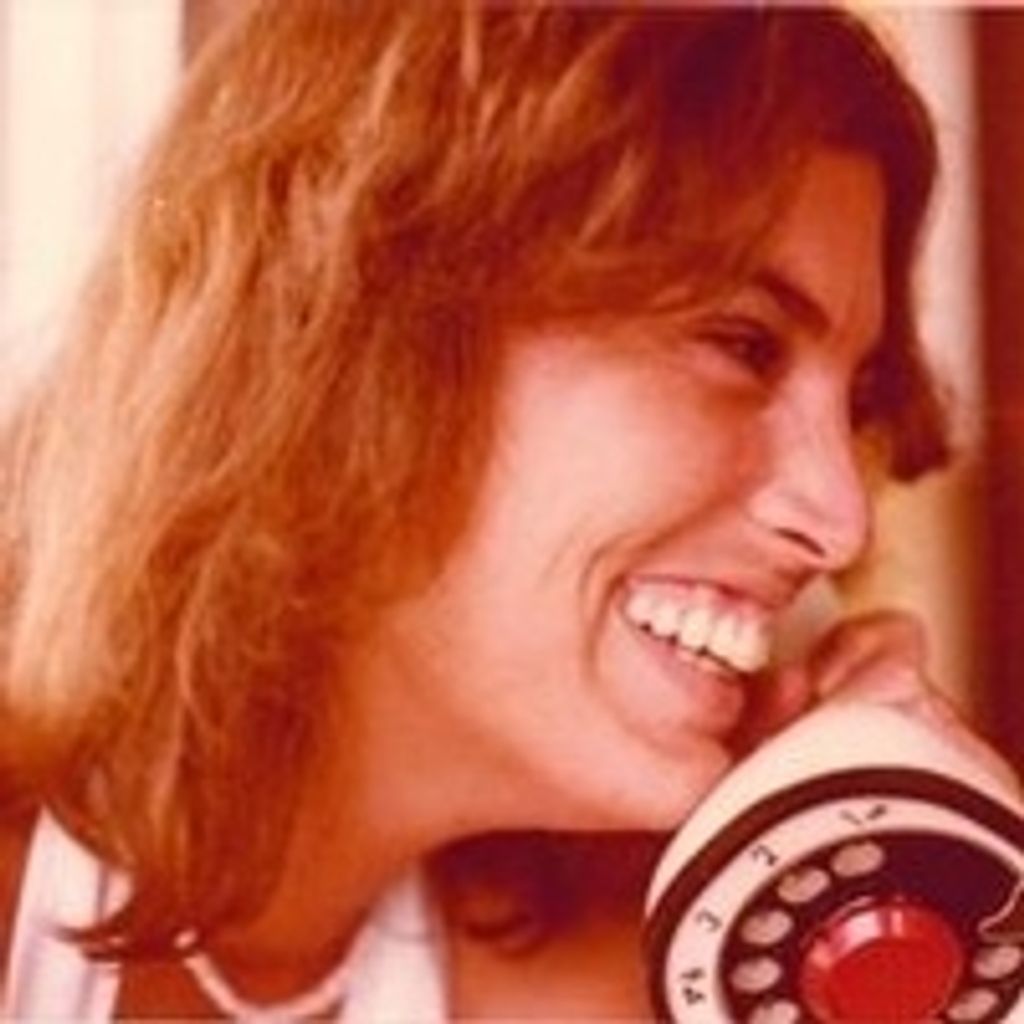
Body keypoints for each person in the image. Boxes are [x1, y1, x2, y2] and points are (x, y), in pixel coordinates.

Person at [0, 1, 1010, 1018]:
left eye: (854, 402)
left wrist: (949, 878)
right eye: (742, 345)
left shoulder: (599, 965)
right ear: (366, 338)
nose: (839, 523)